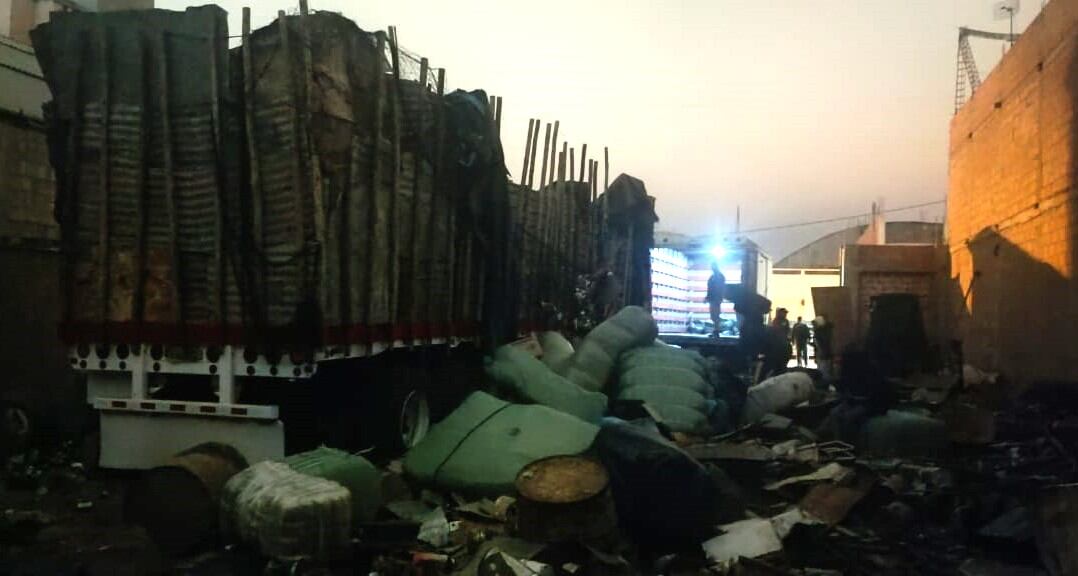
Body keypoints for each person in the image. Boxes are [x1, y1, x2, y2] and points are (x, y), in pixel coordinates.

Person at [705, 262, 726, 337]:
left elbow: (722, 288)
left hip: (716, 299)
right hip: (713, 299)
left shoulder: (719, 276)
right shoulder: (713, 277)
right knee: (713, 315)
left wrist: (720, 297)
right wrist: (707, 298)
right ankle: (716, 329)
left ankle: (717, 329)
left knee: (715, 314)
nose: (712, 268)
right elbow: (709, 289)